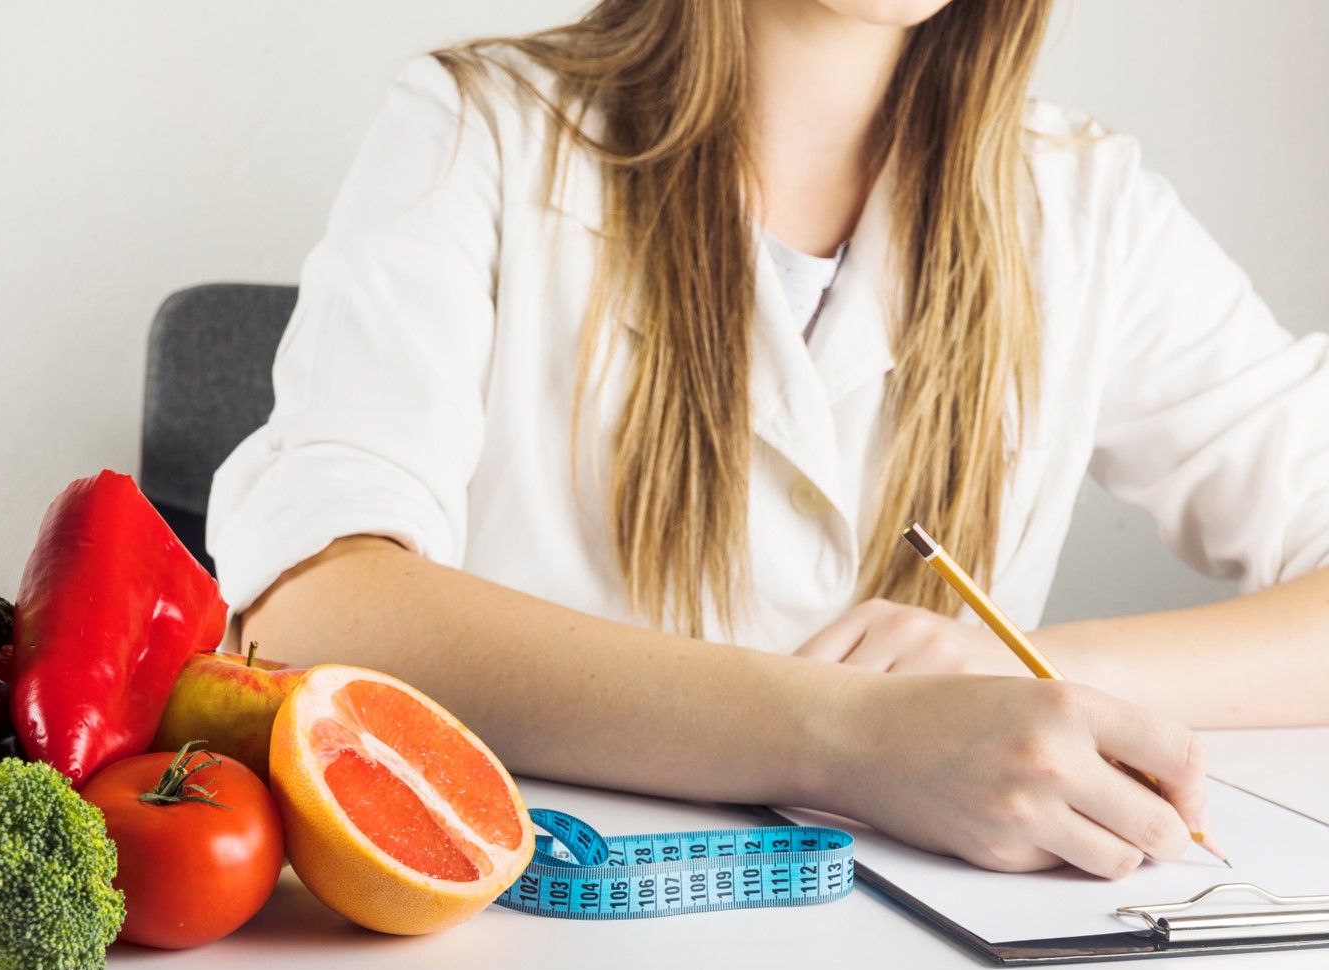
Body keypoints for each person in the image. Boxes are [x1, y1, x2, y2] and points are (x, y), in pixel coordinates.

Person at [206, 0, 1329, 879]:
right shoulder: (478, 129)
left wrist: (1027, 681)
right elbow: (313, 604)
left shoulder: (1085, 207)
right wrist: (845, 736)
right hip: (531, 954)